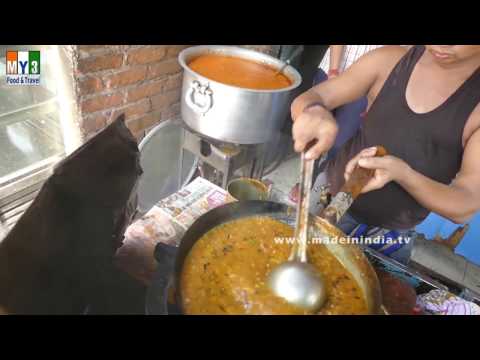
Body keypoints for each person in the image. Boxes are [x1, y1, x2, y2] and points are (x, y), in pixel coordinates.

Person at [291, 45, 480, 263]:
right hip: (330, 194)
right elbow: (314, 96)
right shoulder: (388, 60)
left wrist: (402, 173)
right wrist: (314, 110)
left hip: (390, 233)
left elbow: (465, 204)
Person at [289, 45, 386, 202]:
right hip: (334, 69)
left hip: (368, 83)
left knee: (342, 142)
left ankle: (326, 189)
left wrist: (378, 91)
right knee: (315, 133)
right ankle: (305, 183)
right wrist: (334, 72)